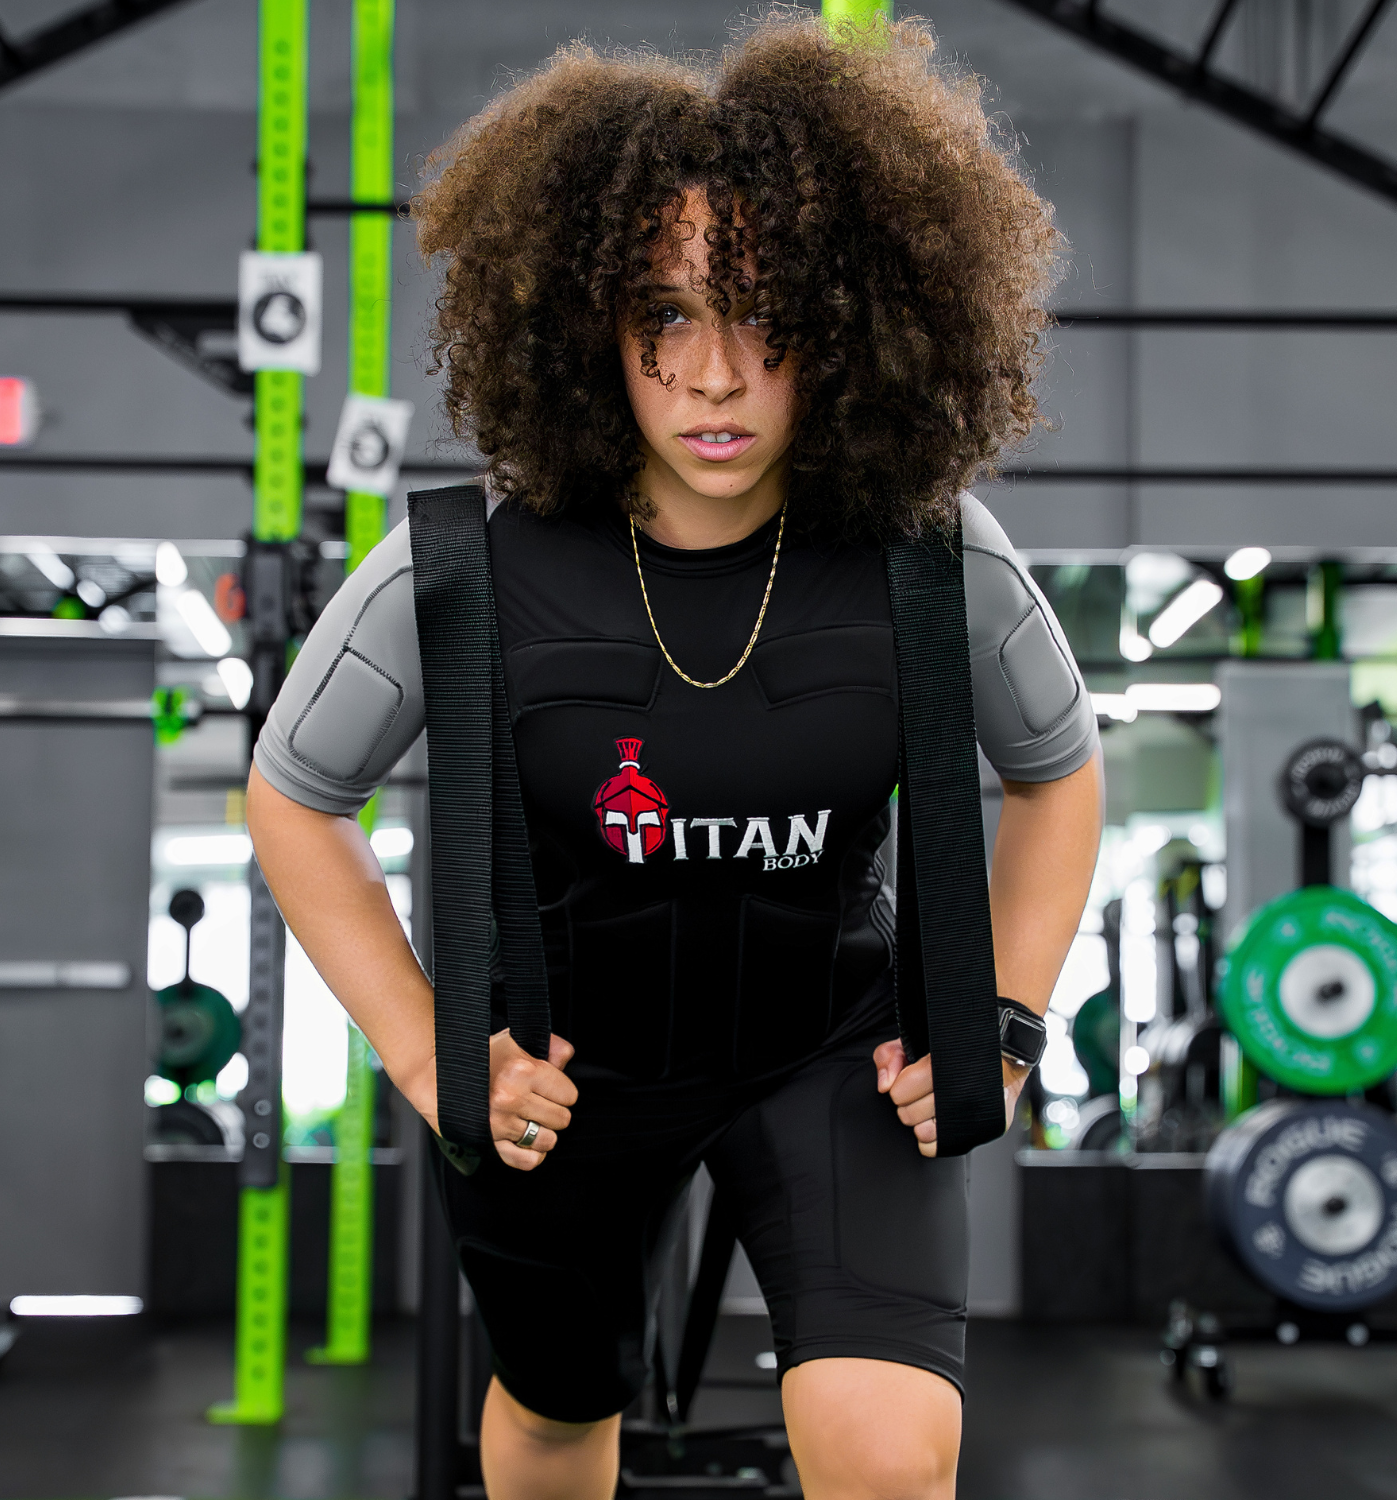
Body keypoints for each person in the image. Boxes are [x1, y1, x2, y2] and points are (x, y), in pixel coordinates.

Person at [247, 14, 1103, 1500]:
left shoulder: (931, 559)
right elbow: (294, 792)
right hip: (560, 1071)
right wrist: (423, 1045)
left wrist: (1006, 1020)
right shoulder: (459, 568)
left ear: (849, 326)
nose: (714, 377)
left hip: (832, 1052)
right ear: (591, 330)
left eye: (765, 320)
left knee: (895, 1457)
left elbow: (1060, 772)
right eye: (666, 318)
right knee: (561, 1406)